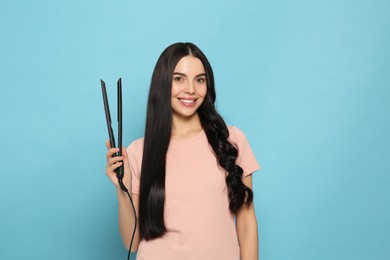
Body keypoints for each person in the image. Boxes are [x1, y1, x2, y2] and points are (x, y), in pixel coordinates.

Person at [105, 42, 260, 260]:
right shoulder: (139, 151)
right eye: (179, 79)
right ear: (163, 83)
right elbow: (131, 242)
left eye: (200, 80)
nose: (190, 89)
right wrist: (123, 189)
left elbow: (246, 224)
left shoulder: (232, 140)